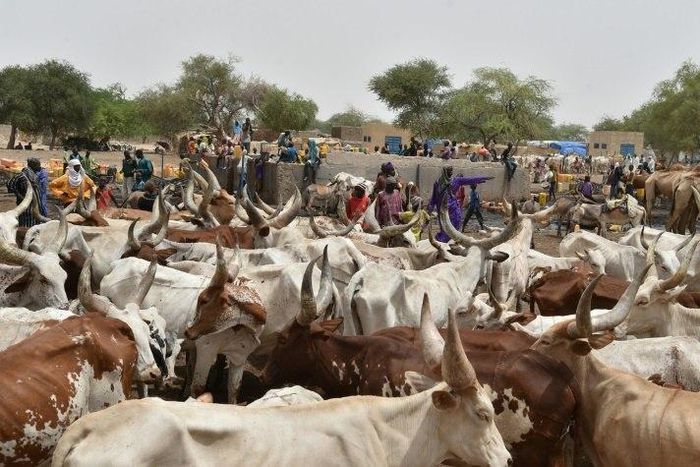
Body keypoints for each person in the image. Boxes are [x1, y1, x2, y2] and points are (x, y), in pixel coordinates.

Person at [427, 165, 492, 242]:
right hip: (442, 209)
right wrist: (430, 207)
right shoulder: (437, 183)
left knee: (455, 225)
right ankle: (444, 242)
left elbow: (470, 180)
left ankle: (452, 242)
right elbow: (434, 196)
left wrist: (483, 178)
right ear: (444, 171)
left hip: (453, 208)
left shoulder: (456, 180)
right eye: (449, 171)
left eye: (451, 171)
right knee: (444, 227)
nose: (451, 173)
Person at [7, 158, 48, 227]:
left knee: (34, 222)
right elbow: (9, 184)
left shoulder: (34, 175)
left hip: (34, 204)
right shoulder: (22, 176)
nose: (39, 167)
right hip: (25, 205)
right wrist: (20, 196)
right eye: (38, 165)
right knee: (26, 224)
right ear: (32, 165)